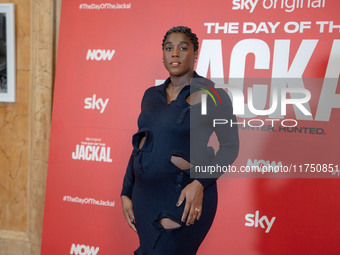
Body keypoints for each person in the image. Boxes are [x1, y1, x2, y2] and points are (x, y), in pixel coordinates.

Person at [121, 26, 239, 255]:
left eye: (183, 48)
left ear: (195, 54)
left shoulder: (214, 96)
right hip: (144, 196)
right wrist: (126, 191)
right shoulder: (150, 96)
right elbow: (140, 146)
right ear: (163, 55)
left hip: (184, 195)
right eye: (169, 48)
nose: (174, 53)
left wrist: (199, 184)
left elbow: (230, 147)